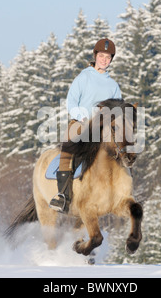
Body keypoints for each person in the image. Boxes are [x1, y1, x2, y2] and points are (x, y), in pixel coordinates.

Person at [49, 38, 122, 213]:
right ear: (95, 56)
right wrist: (82, 116)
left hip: (103, 129)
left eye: (108, 57)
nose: (104, 60)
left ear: (111, 60)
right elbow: (71, 102)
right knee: (68, 149)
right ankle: (63, 196)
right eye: (102, 56)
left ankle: (120, 191)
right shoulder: (83, 77)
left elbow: (118, 110)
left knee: (122, 149)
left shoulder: (113, 85)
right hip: (81, 123)